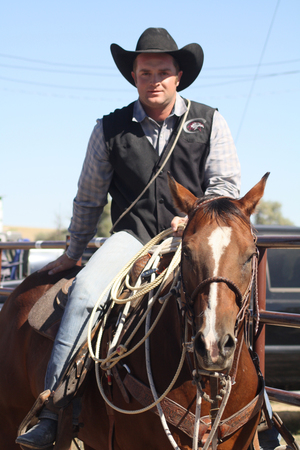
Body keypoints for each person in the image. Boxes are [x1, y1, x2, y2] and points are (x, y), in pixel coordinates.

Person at [16, 27, 282, 450]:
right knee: (84, 292)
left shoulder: (210, 121)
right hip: (132, 238)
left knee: (228, 297)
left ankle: (261, 404)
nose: (153, 79)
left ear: (179, 76)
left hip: (197, 236)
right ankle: (54, 407)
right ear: (134, 77)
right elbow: (88, 198)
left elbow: (225, 186)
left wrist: (194, 218)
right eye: (144, 72)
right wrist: (72, 253)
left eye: (162, 71)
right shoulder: (109, 129)